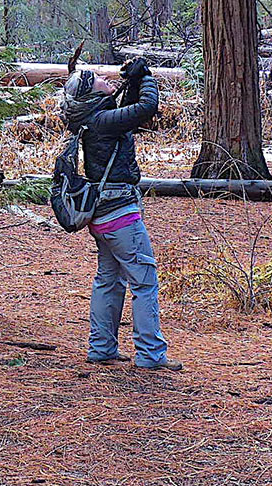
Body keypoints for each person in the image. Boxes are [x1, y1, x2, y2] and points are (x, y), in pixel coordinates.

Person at [59, 59, 182, 371]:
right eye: (99, 78)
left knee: (109, 280)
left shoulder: (94, 118)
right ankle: (151, 356)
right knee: (144, 282)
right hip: (121, 216)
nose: (105, 77)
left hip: (102, 217)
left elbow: (129, 114)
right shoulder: (101, 120)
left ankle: (101, 348)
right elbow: (146, 109)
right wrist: (149, 77)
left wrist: (135, 77)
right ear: (91, 92)